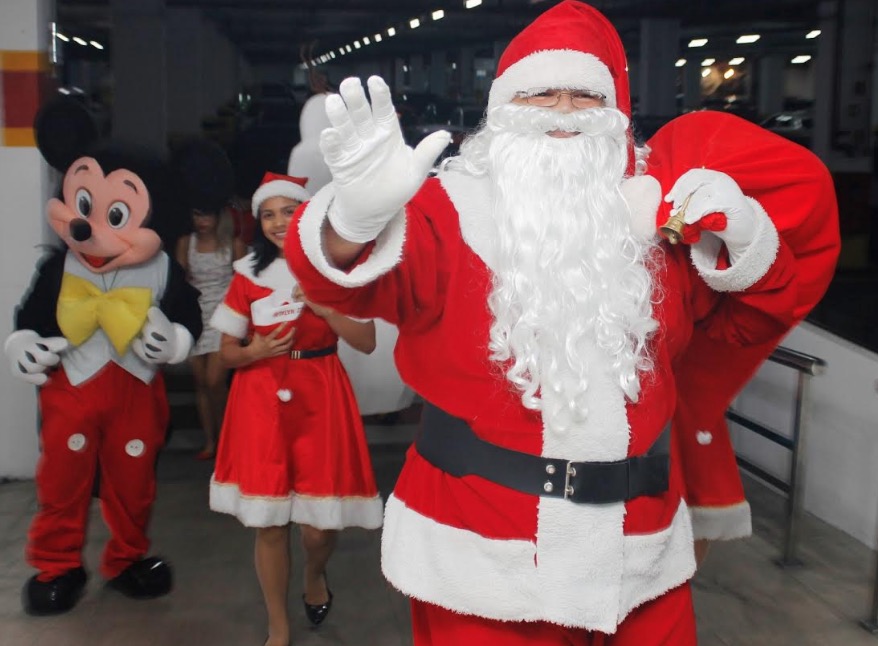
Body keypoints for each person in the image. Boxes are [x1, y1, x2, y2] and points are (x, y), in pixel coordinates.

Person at [284, 1, 838, 643]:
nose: (565, 114)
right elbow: (347, 286)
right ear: (502, 110)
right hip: (484, 557)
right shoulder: (448, 210)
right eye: (541, 94)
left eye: (584, 95)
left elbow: (745, 326)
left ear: (613, 116)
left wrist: (744, 244)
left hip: (642, 553)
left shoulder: (654, 224)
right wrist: (350, 224)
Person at [208, 172, 384, 646]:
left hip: (320, 394)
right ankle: (278, 627)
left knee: (317, 529)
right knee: (268, 524)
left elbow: (366, 342)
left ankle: (314, 574)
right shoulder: (248, 273)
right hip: (260, 398)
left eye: (288, 211)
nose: (278, 222)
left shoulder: (336, 269)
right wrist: (251, 353)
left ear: (308, 214)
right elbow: (224, 351)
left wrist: (326, 309)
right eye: (268, 214)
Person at [288, 92, 416, 418]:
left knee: (348, 324)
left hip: (329, 248)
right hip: (370, 244)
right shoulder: (374, 152)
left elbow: (300, 205)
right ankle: (383, 396)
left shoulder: (304, 154)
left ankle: (357, 395)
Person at [175, 204, 247, 459]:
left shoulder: (233, 244)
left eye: (206, 213)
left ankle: (231, 438)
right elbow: (180, 279)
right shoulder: (186, 242)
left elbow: (244, 283)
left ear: (218, 216)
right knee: (201, 384)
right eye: (197, 213)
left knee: (215, 381)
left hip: (225, 314)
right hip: (196, 314)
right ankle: (211, 442)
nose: (202, 219)